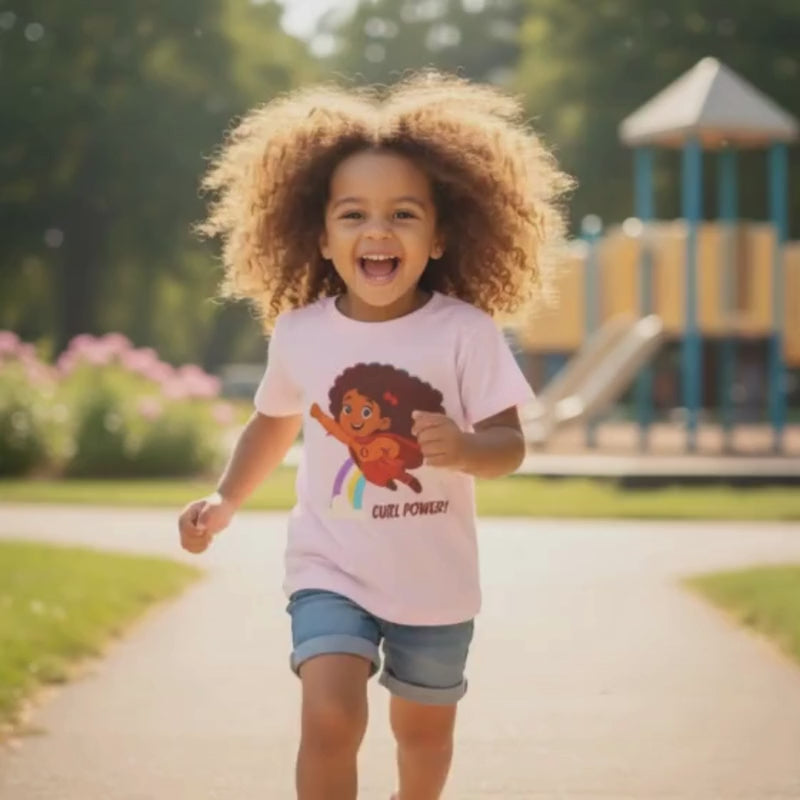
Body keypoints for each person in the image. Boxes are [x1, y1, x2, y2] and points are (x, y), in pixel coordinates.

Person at [178, 70, 570, 800]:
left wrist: (466, 449)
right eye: (353, 215)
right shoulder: (300, 334)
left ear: (442, 234)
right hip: (332, 567)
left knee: (424, 736)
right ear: (321, 238)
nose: (378, 231)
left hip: (435, 580)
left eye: (404, 214)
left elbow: (509, 443)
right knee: (330, 715)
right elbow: (274, 419)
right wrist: (227, 498)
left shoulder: (465, 332)